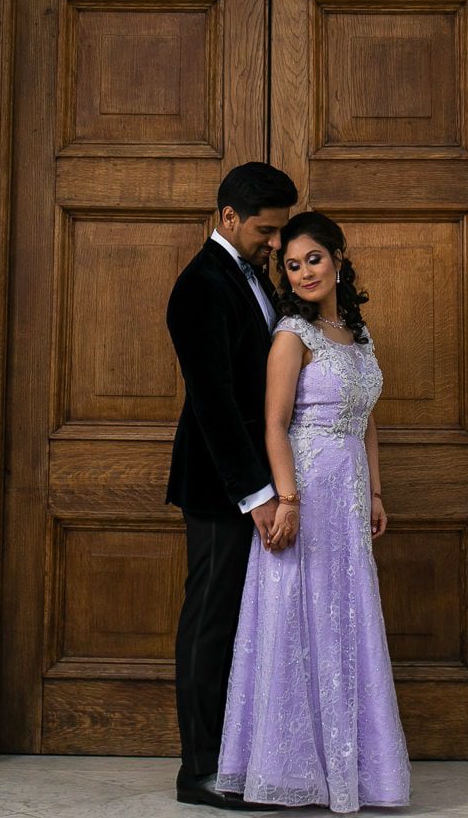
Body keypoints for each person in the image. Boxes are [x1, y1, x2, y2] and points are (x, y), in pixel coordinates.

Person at [214, 211, 410, 812]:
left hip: (348, 492)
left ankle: (352, 770)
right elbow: (274, 425)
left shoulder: (358, 332)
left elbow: (367, 421)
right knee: (295, 617)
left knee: (345, 618)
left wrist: (375, 492)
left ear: (339, 258)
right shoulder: (291, 335)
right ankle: (288, 769)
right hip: (305, 487)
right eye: (292, 265)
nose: (302, 273)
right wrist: (286, 501)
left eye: (313, 260)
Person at [165, 162, 300, 810]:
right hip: (222, 487)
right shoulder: (199, 286)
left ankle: (238, 757)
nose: (275, 244)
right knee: (210, 624)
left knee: (239, 626)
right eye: (266, 231)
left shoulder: (251, 278)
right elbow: (215, 403)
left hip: (254, 479)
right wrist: (260, 495)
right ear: (227, 218)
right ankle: (200, 771)